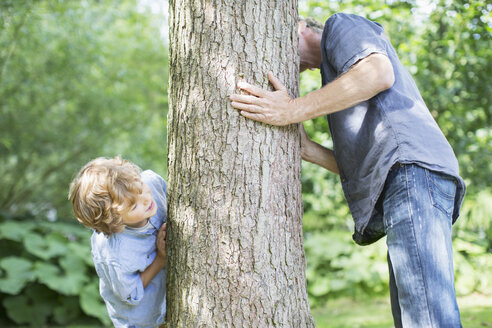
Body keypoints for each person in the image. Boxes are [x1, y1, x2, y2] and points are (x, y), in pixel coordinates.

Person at [230, 13, 465, 328]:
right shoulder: (335, 74)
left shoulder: (341, 26)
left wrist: (290, 110)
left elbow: (378, 73)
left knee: (426, 319)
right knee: (415, 316)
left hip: (411, 172)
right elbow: (368, 161)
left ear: (298, 27)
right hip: (409, 176)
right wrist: (308, 149)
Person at [68, 156, 167, 328]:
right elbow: (131, 294)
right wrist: (160, 258)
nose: (145, 199)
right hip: (142, 319)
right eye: (133, 206)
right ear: (114, 222)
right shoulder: (117, 254)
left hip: (166, 297)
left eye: (140, 187)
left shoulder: (152, 183)